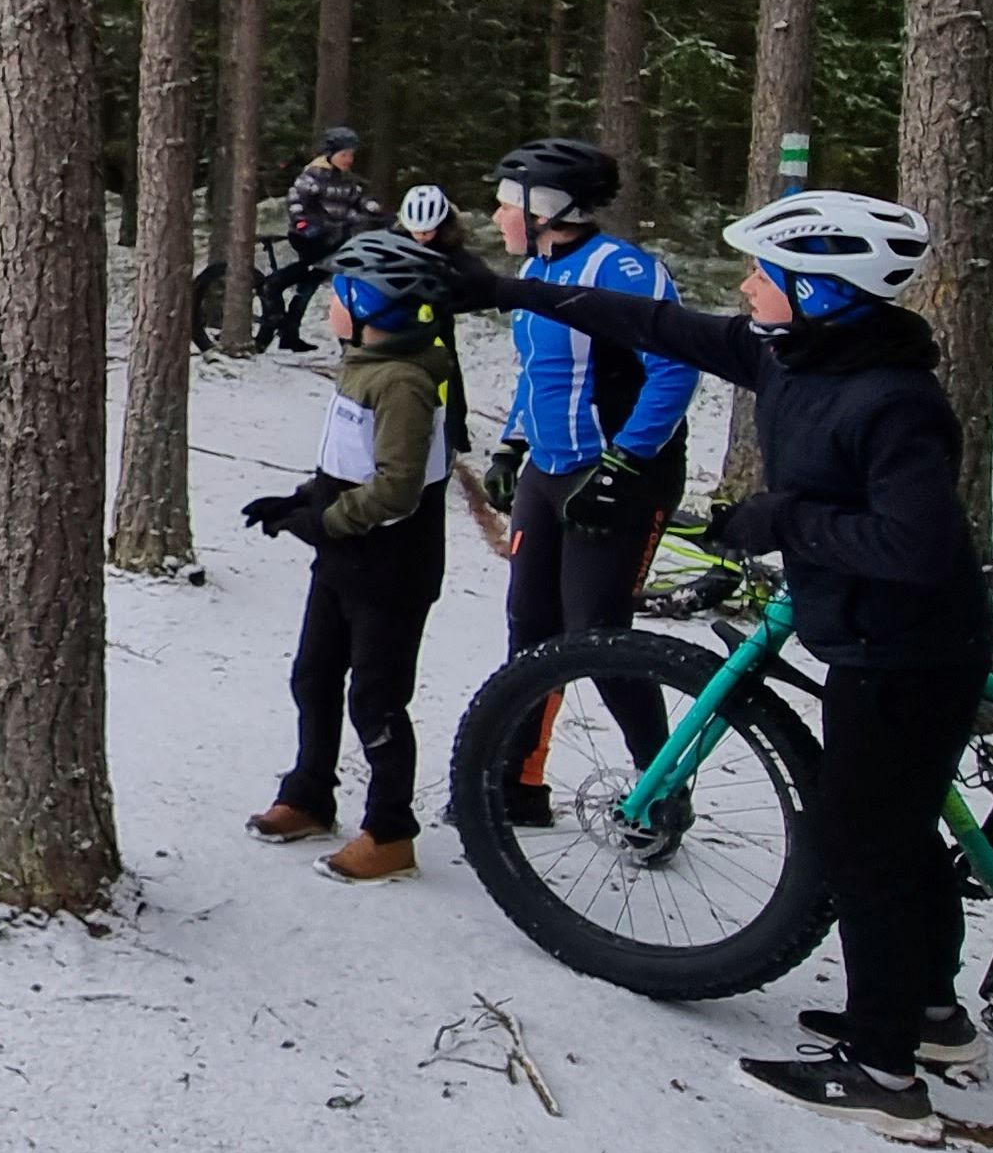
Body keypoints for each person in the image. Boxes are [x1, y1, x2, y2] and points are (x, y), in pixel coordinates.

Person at [445, 191, 993, 1138]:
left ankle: (883, 1073)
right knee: (893, 838)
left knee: (863, 844)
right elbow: (653, 322)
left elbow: (918, 544)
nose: (744, 287)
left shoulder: (892, 399)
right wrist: (507, 288)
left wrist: (781, 520)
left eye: (765, 275)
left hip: (907, 650)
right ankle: (928, 1014)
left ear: (821, 293)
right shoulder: (787, 352)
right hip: (867, 632)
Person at [478, 138, 697, 819]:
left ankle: (661, 790)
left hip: (620, 475)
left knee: (600, 639)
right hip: (548, 473)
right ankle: (518, 782)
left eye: (506, 202)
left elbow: (675, 369)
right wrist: (512, 445)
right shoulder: (535, 269)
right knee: (530, 629)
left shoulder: (624, 271)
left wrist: (623, 464)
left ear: (546, 208)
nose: (495, 216)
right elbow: (539, 372)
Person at [238, 230, 454, 883]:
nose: (330, 300)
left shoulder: (404, 383)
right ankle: (309, 792)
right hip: (343, 561)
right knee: (312, 675)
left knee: (377, 699)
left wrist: (327, 522)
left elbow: (397, 485)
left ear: (371, 304)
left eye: (340, 291)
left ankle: (390, 829)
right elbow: (347, 461)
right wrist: (298, 500)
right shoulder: (363, 365)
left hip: (390, 569)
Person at [256, 127, 386, 351]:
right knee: (297, 276)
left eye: (351, 155)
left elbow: (356, 200)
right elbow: (296, 200)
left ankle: (289, 335)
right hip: (310, 239)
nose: (349, 159)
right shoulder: (313, 175)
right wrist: (303, 224)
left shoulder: (346, 180)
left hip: (333, 239)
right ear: (331, 154)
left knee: (308, 285)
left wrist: (371, 208)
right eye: (344, 154)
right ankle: (271, 301)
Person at [396, 182, 476, 463]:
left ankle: (454, 432)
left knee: (448, 375)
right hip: (403, 324)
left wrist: (448, 294)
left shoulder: (453, 248)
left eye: (427, 232)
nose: (421, 237)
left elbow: (478, 282)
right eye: (415, 231)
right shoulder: (395, 241)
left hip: (439, 324)